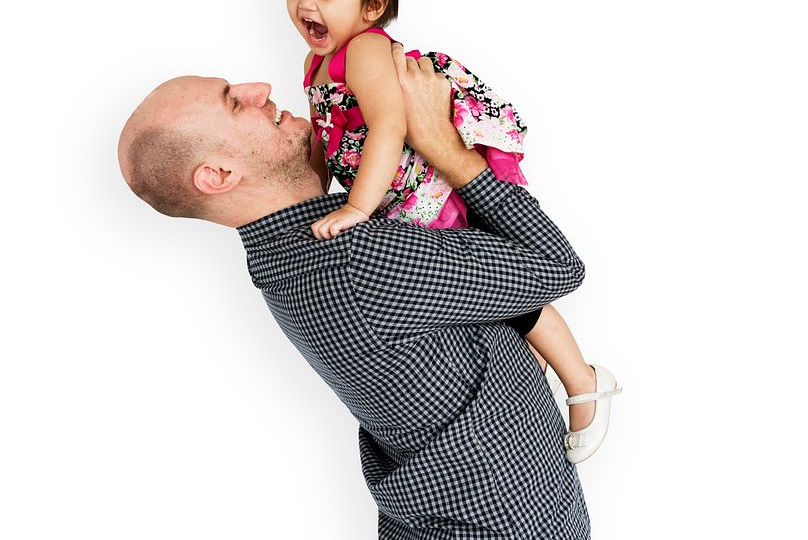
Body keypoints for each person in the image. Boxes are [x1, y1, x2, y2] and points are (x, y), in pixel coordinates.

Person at [118, 46, 607, 537]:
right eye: (233, 102)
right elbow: (558, 266)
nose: (258, 90)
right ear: (218, 176)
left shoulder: (282, 255)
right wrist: (445, 147)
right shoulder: (356, 259)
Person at [286, 0, 619, 458]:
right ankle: (531, 370)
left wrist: (358, 205)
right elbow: (329, 138)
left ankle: (584, 380)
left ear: (372, 7)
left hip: (424, 192)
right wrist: (318, 196)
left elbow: (391, 124)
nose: (306, 4)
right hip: (393, 202)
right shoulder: (314, 61)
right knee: (474, 300)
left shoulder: (365, 49)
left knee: (511, 292)